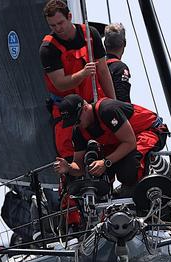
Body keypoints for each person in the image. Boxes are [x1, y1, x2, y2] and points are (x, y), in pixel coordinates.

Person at [40, 0, 116, 159]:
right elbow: (60, 84)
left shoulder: (91, 34)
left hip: (92, 104)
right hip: (67, 111)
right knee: (69, 156)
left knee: (107, 148)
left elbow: (103, 71)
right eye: (52, 25)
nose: (58, 28)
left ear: (69, 16)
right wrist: (83, 73)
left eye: (60, 23)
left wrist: (114, 103)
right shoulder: (48, 48)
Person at [53, 94, 167, 188]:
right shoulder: (78, 130)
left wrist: (106, 162)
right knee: (99, 170)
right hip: (120, 142)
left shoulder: (107, 110)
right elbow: (79, 165)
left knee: (128, 169)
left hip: (149, 131)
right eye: (73, 122)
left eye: (77, 120)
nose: (77, 125)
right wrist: (68, 167)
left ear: (85, 108)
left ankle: (158, 169)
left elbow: (130, 142)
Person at [104, 23, 131, 103]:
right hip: (113, 111)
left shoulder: (98, 66)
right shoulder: (120, 68)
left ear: (104, 43)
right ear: (124, 43)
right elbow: (122, 99)